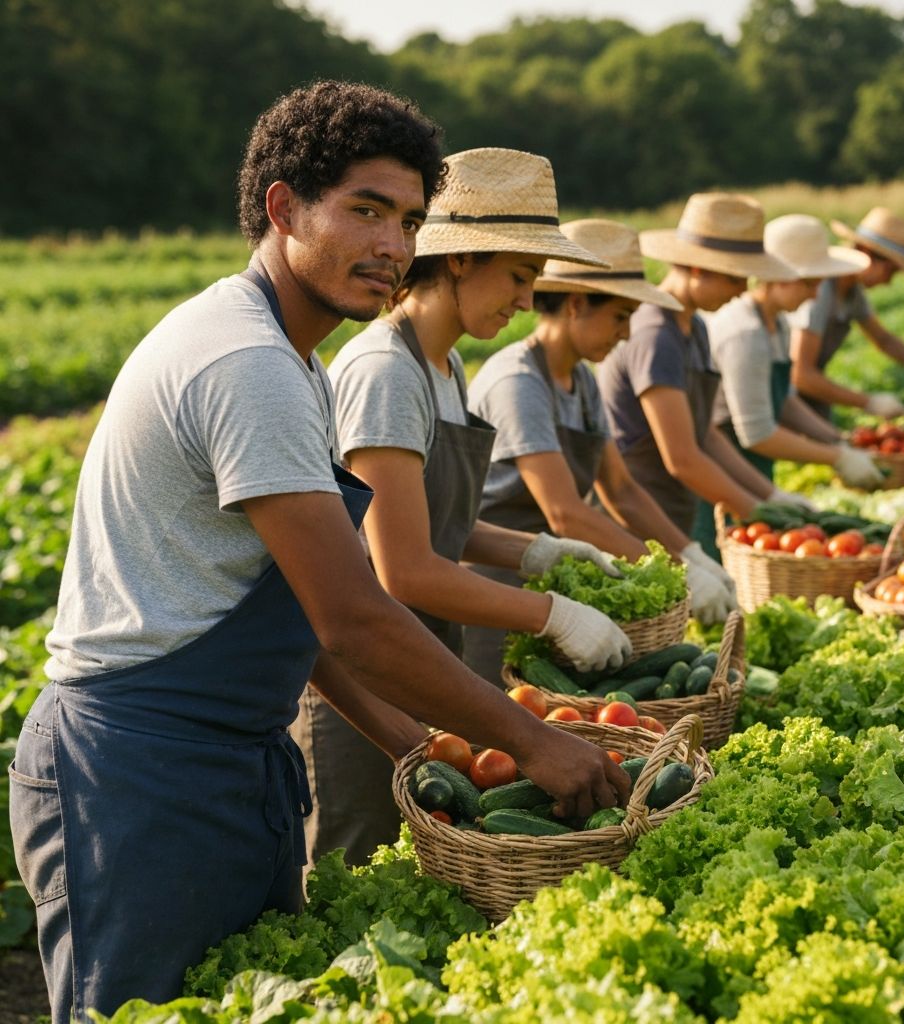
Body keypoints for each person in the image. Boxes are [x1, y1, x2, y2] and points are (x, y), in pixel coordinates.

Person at [8, 82, 629, 1023]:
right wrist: (532, 740)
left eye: (410, 220)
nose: (392, 246)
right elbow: (355, 612)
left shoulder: (292, 360)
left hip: (226, 755)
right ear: (282, 208)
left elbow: (300, 616)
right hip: (136, 774)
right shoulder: (246, 363)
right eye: (365, 210)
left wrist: (415, 745)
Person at [296, 147, 632, 866]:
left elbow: (433, 522)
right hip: (365, 680)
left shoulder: (444, 367)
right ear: (458, 260)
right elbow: (405, 570)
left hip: (418, 663)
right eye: (517, 275)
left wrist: (533, 551)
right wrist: (552, 613)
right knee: (359, 871)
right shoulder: (388, 371)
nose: (523, 298)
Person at [461, 218, 738, 684]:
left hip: (555, 586)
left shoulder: (583, 381)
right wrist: (672, 576)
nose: (627, 334)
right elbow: (566, 512)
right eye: (620, 316)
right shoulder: (519, 382)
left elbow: (622, 490)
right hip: (495, 584)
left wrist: (686, 554)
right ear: (575, 304)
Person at [596, 193, 814, 558]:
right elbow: (681, 458)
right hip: (637, 523)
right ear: (698, 269)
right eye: (735, 278)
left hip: (673, 511)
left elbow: (705, 434)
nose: (743, 290)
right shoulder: (655, 335)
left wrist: (769, 495)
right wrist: (757, 511)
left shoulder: (693, 328)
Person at [708, 213, 885, 490]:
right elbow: (758, 434)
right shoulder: (745, 333)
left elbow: (786, 400)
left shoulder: (777, 323)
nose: (816, 295)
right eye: (810, 284)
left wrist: (837, 439)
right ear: (778, 277)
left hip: (752, 468)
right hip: (723, 473)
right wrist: (836, 457)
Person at [789, 206, 904, 421]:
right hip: (782, 394)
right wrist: (868, 402)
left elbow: (883, 339)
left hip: (805, 393)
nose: (889, 282)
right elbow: (800, 374)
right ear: (866, 252)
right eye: (891, 271)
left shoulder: (852, 292)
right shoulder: (820, 289)